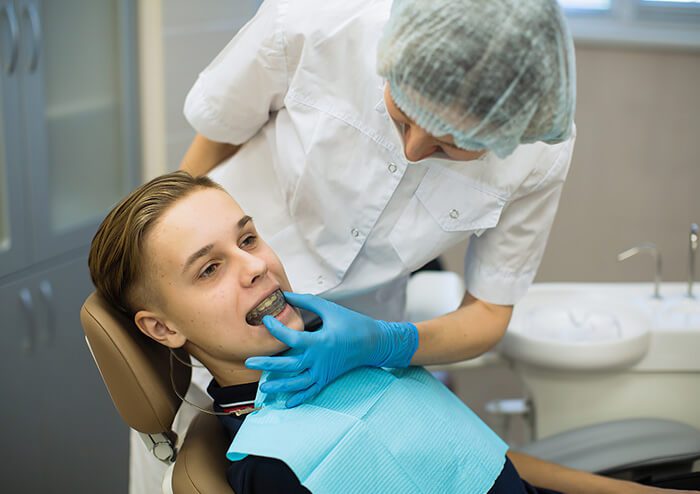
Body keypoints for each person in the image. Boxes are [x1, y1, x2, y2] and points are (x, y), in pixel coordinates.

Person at [89, 172, 697, 494]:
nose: (256, 265)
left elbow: (489, 464)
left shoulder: (352, 359)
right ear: (161, 327)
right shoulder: (275, 468)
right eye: (210, 268)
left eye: (248, 238)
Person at [178, 0, 577, 408]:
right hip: (210, 327)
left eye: (449, 146)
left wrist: (382, 343)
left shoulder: (537, 152)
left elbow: (489, 313)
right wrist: (161, 277)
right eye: (402, 114)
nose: (414, 150)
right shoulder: (314, 21)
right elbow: (216, 136)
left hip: (352, 366)